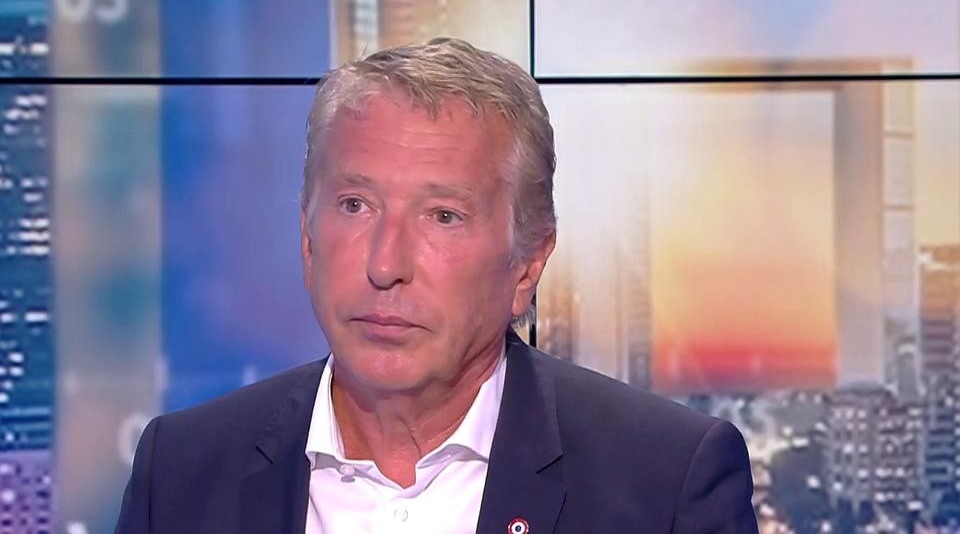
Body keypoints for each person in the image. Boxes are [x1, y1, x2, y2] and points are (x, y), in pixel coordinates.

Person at [116, 37, 758, 534]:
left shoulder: (664, 483)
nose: (385, 264)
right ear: (307, 238)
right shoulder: (181, 471)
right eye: (355, 205)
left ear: (527, 265)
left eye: (442, 216)